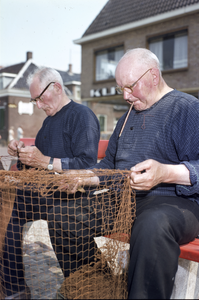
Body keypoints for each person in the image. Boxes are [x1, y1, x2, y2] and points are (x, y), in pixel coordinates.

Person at [48, 48, 199, 299]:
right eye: (121, 89)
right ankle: (101, 288)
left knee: (152, 225)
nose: (126, 96)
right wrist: (84, 177)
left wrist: (165, 173)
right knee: (63, 217)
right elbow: (109, 166)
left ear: (153, 75)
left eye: (130, 86)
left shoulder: (188, 109)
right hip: (125, 201)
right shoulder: (126, 117)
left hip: (177, 203)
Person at [3, 67, 100, 299]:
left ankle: (82, 285)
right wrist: (22, 154)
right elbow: (36, 166)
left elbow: (87, 165)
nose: (38, 105)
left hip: (72, 195)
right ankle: (13, 287)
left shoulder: (82, 116)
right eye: (34, 100)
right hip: (46, 192)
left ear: (56, 87)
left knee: (48, 213)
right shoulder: (47, 123)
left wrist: (43, 161)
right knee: (8, 204)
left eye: (39, 98)